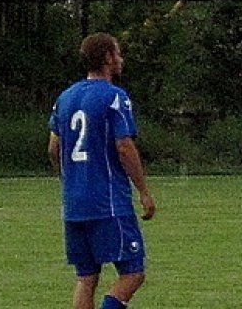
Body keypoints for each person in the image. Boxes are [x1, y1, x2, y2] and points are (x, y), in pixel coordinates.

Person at [48, 33, 156, 309]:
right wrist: (143, 191)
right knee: (133, 272)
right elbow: (124, 147)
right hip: (108, 202)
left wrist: (69, 180)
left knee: (86, 277)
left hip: (74, 204)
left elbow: (53, 148)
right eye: (117, 53)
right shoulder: (114, 97)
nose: (121, 59)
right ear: (107, 58)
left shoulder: (66, 98)